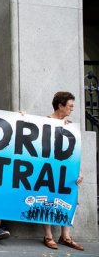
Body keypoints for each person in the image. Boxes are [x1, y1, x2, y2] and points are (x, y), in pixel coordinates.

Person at [42, 91, 84, 251]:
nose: (72, 109)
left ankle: (66, 236)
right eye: (70, 106)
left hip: (66, 169)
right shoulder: (44, 122)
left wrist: (79, 171)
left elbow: (75, 152)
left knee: (68, 199)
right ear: (60, 106)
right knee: (48, 200)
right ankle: (48, 236)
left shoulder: (70, 126)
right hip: (49, 167)